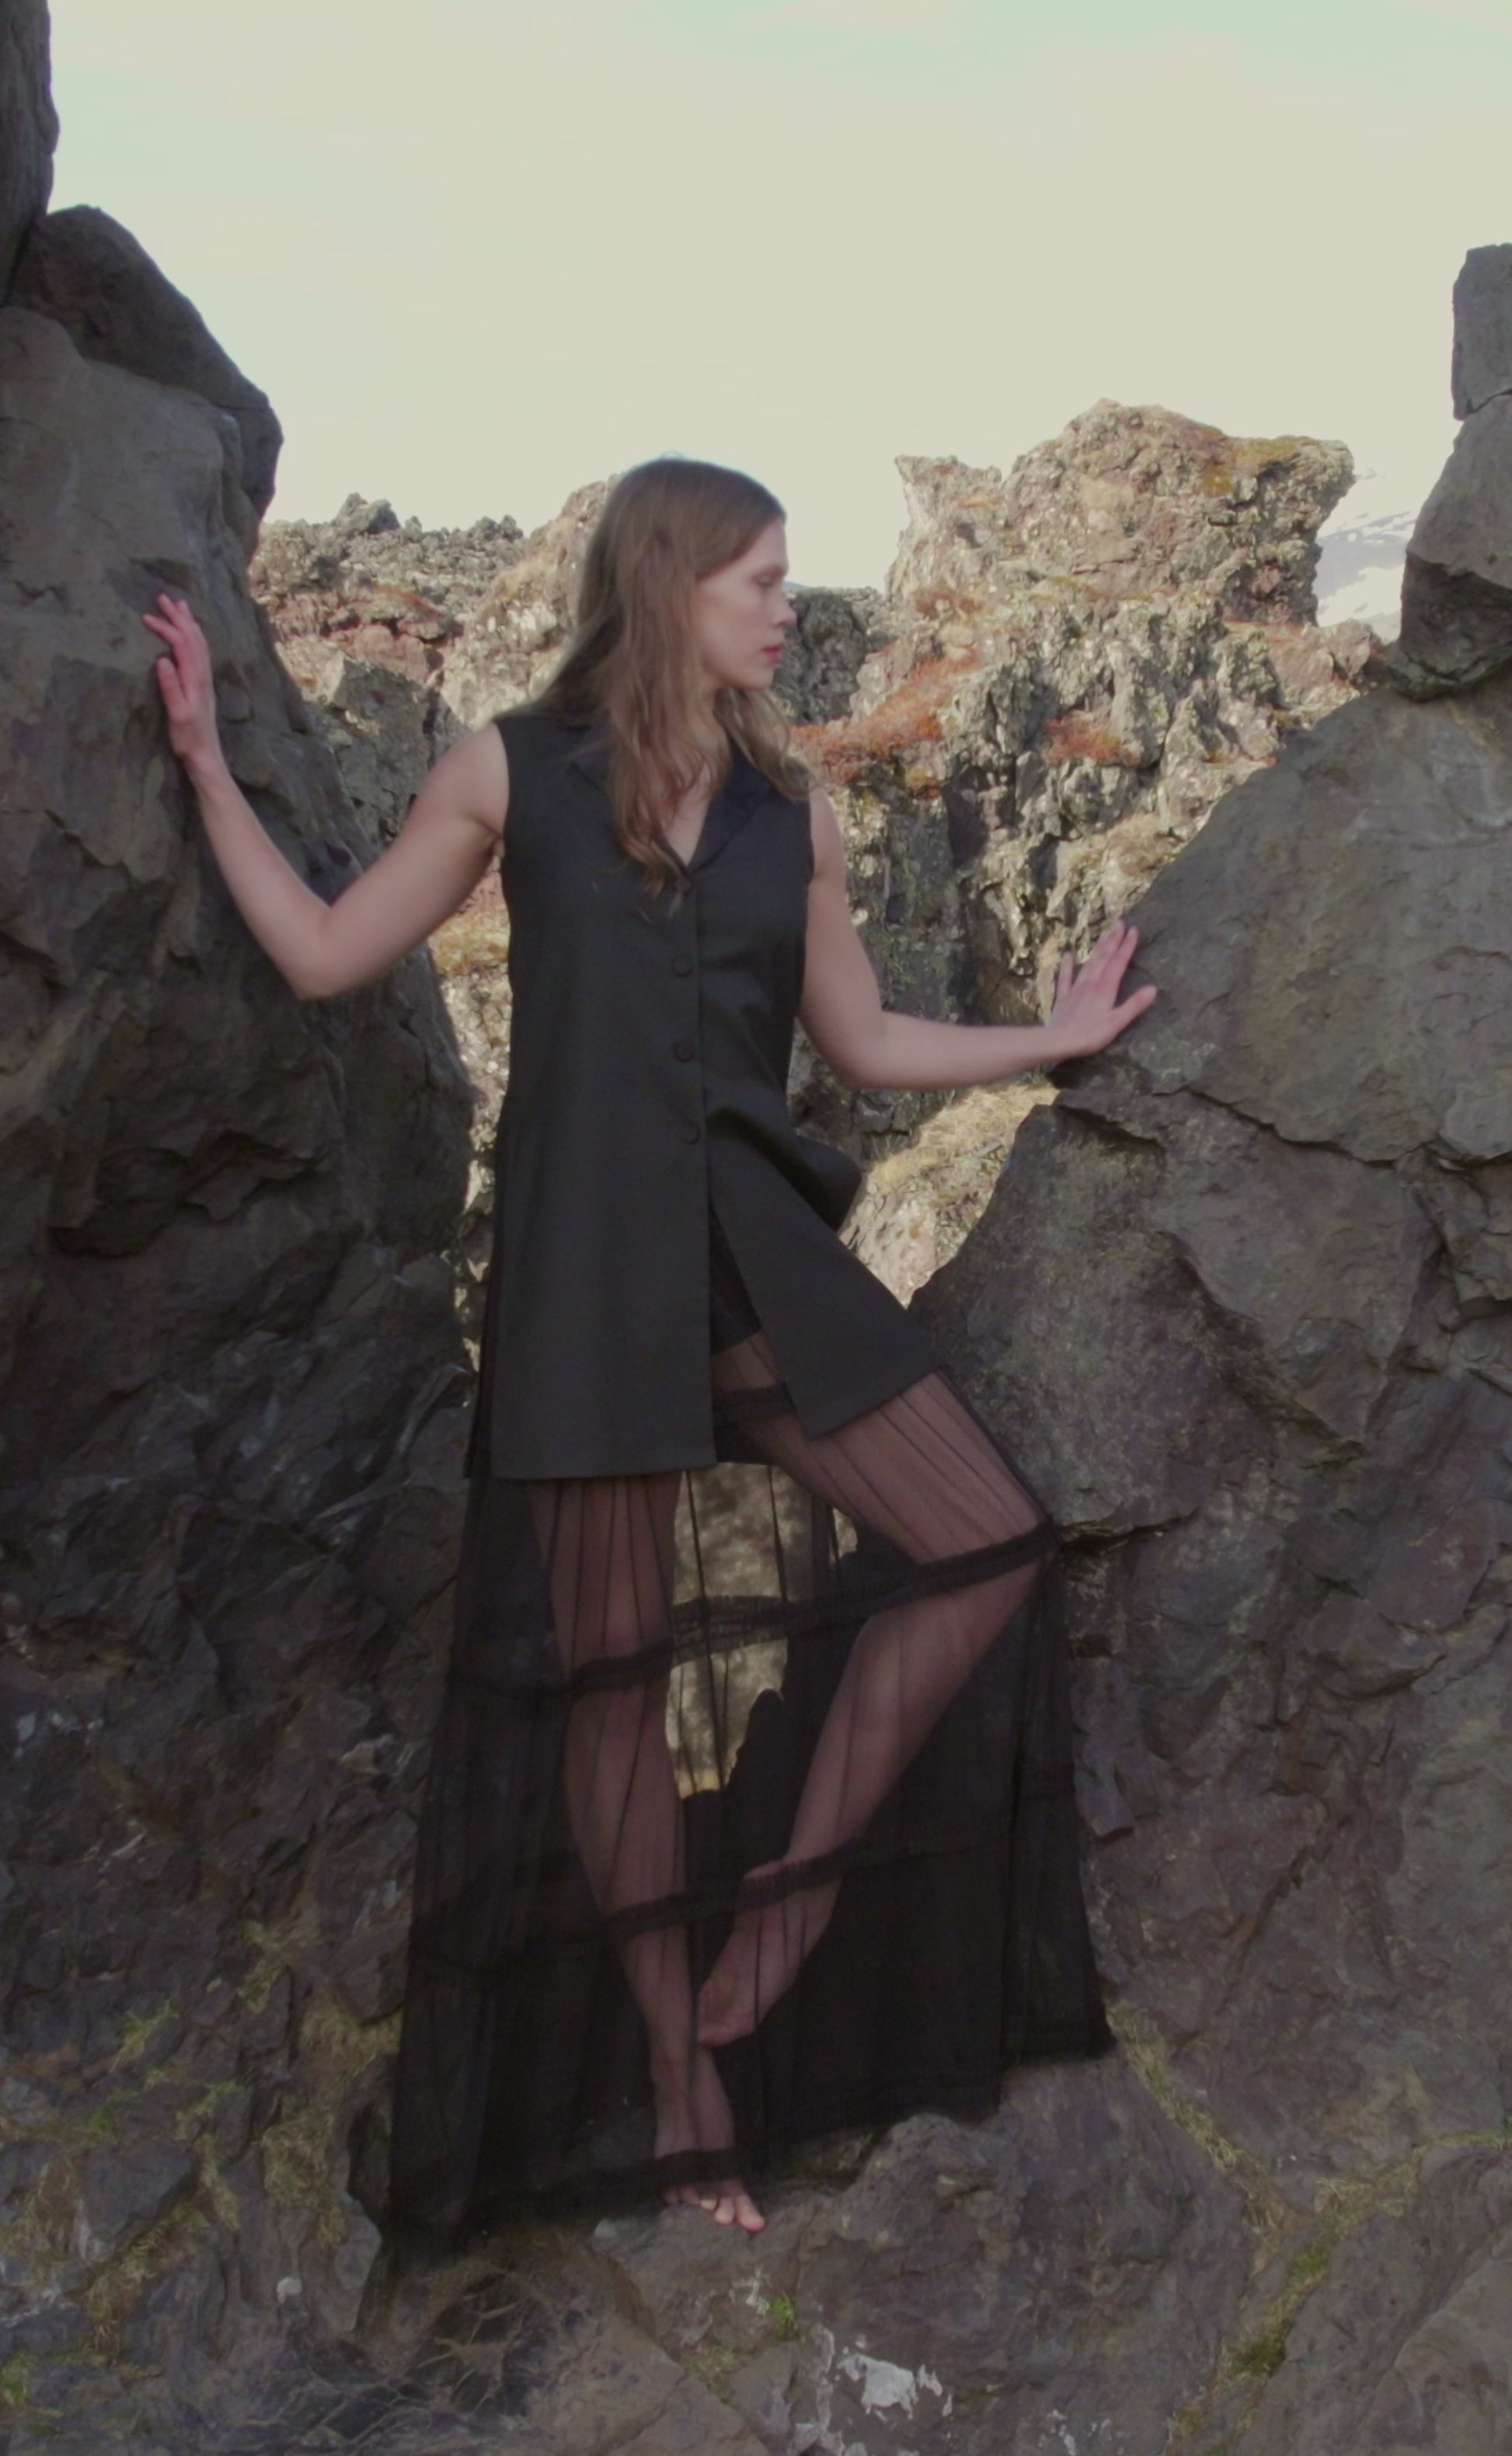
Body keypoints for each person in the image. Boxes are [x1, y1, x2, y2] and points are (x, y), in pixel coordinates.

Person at [144, 455, 1155, 2241]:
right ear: (670, 581)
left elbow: (860, 1039)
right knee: (609, 1682)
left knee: (984, 1542)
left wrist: (1045, 1039)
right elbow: (320, 953)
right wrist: (212, 765)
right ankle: (685, 2080)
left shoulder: (794, 813)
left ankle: (792, 1894)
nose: (782, 607)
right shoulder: (506, 770)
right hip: (584, 1280)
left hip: (760, 1262)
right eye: (757, 578)